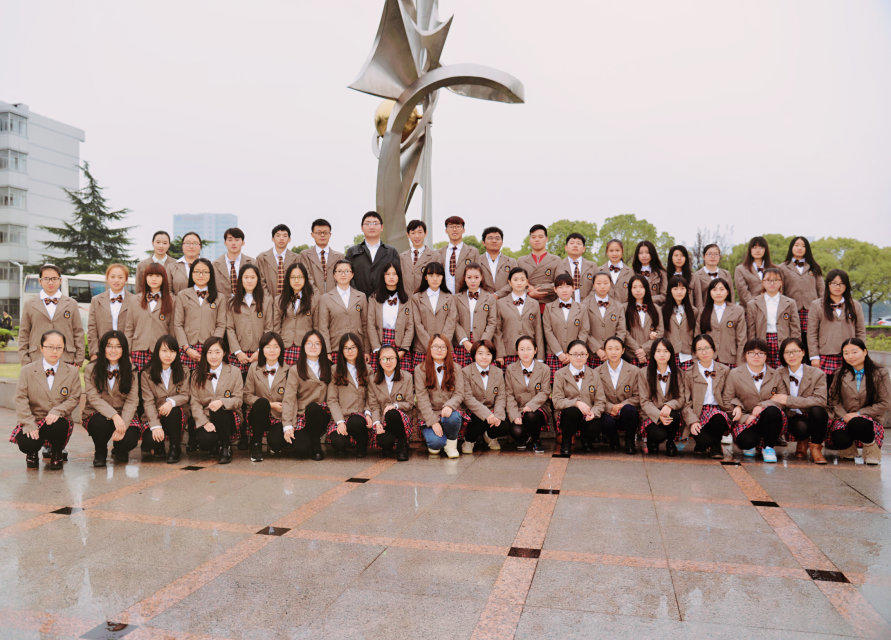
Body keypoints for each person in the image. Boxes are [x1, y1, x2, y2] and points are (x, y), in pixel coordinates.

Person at [10, 330, 81, 470]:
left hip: (58, 420)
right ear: (41, 348)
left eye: (59, 347)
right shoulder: (27, 371)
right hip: (34, 419)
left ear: (63, 349)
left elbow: (74, 397)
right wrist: (28, 423)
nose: (54, 351)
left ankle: (56, 452)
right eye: (50, 347)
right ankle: (32, 452)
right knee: (26, 441)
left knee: (59, 424)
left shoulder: (72, 371)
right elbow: (20, 398)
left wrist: (58, 410)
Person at [83, 331, 143, 467]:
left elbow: (132, 400)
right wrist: (114, 416)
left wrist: (123, 423)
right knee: (99, 424)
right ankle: (100, 451)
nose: (113, 350)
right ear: (103, 348)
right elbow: (93, 398)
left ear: (124, 349)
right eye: (109, 346)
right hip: (98, 412)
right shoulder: (91, 368)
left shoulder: (132, 370)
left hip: (123, 412)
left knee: (130, 438)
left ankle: (120, 449)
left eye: (118, 346)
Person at [826, 338, 887, 465]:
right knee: (838, 435)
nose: (850, 356)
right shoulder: (840, 373)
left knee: (858, 423)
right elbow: (833, 400)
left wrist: (858, 414)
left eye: (854, 352)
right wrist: (844, 415)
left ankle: (871, 449)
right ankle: (848, 450)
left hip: (870, 419)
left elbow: (885, 402)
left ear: (865, 352)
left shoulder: (879, 373)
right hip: (844, 417)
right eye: (846, 353)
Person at [725, 339, 786, 463]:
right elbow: (727, 399)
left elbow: (782, 398)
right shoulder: (734, 374)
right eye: (751, 353)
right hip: (746, 419)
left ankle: (768, 447)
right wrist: (742, 413)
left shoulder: (775, 374)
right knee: (745, 442)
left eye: (760, 353)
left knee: (773, 411)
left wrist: (762, 406)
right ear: (745, 355)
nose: (756, 356)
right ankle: (754, 443)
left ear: (766, 356)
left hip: (769, 418)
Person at [770, 337, 828, 464]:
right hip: (792, 416)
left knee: (818, 411)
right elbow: (775, 397)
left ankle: (816, 448)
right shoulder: (778, 373)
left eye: (795, 351)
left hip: (811, 414)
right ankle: (802, 440)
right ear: (782, 355)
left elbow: (821, 400)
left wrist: (789, 400)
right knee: (801, 427)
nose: (791, 355)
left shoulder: (817, 374)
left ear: (803, 352)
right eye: (787, 352)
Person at [189, 336, 244, 464]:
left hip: (228, 417)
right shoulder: (197, 374)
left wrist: (222, 402)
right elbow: (194, 402)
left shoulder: (234, 372)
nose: (213, 356)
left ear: (224, 353)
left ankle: (226, 446)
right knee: (205, 441)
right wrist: (204, 422)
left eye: (217, 352)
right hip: (207, 417)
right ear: (205, 354)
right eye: (210, 352)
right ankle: (216, 443)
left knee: (219, 408)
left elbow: (238, 399)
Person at [19, 264, 84, 367]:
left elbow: (78, 332)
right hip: (36, 358)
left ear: (60, 280)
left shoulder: (71, 304)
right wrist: (25, 360)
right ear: (40, 281)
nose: (50, 282)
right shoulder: (30, 304)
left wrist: (79, 359)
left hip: (66, 358)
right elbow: (24, 333)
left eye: (54, 279)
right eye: (46, 279)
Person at [279, 330, 330, 460]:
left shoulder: (329, 367)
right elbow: (289, 399)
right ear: (303, 346)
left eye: (317, 344)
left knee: (314, 408)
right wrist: (287, 425)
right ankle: (308, 439)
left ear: (322, 347)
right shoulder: (295, 369)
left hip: (322, 414)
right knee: (301, 450)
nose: (313, 347)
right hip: (302, 415)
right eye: (309, 343)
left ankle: (316, 445)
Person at [414, 334, 465, 458]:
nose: (439, 350)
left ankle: (451, 444)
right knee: (436, 443)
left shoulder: (456, 368)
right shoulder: (420, 369)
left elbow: (459, 393)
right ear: (430, 349)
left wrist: (449, 406)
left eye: (443, 347)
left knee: (453, 418)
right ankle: (439, 440)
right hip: (431, 413)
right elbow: (422, 399)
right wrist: (433, 422)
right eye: (435, 346)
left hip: (449, 412)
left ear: (448, 350)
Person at [141, 335, 190, 464]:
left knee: (173, 411)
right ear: (157, 352)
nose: (168, 355)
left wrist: (171, 402)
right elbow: (148, 402)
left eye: (172, 351)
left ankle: (175, 447)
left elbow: (185, 395)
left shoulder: (184, 370)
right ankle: (158, 446)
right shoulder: (147, 373)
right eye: (164, 351)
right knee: (150, 441)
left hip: (176, 415)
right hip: (155, 414)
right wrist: (156, 425)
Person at [807, 269, 865, 376]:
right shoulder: (817, 305)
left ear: (846, 286)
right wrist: (814, 356)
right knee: (826, 384)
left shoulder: (855, 305)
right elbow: (812, 333)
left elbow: (860, 331)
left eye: (842, 283)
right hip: (825, 354)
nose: (838, 287)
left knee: (848, 384)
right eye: (834, 283)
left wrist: (860, 352)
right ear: (828, 285)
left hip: (849, 355)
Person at [682, 334, 732, 459]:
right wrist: (693, 421)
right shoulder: (689, 373)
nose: (704, 352)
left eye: (707, 348)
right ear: (695, 353)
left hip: (718, 410)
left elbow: (730, 394)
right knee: (702, 439)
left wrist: (734, 408)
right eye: (699, 349)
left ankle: (716, 445)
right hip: (697, 412)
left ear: (713, 349)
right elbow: (686, 402)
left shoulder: (724, 370)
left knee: (719, 418)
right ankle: (703, 443)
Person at [552, 340, 604, 456]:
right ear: (568, 355)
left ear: (587, 355)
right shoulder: (560, 374)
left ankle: (586, 440)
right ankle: (566, 443)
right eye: (575, 354)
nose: (579, 357)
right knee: (572, 412)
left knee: (598, 422)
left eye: (582, 354)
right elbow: (557, 401)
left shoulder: (594, 374)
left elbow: (600, 401)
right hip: (568, 415)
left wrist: (594, 412)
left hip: (588, 414)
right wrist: (576, 403)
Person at [243, 332, 289, 462]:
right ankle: (256, 444)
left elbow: (292, 397)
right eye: (268, 347)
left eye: (275, 347)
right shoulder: (254, 368)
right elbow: (246, 395)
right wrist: (270, 404)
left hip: (278, 416)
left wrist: (283, 407)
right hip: (258, 414)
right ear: (262, 349)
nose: (272, 350)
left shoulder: (288, 370)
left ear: (281, 349)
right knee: (262, 402)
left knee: (277, 442)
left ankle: (273, 444)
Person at [173, 258, 226, 371]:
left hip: (210, 349)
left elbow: (221, 324)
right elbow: (178, 324)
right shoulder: (182, 295)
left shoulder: (220, 297)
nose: (200, 275)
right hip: (187, 347)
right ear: (191, 274)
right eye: (197, 271)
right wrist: (186, 348)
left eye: (205, 272)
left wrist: (212, 348)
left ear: (211, 274)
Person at [326, 334, 373, 457]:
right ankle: (348, 442)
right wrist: (340, 421)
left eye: (353, 347)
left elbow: (371, 395)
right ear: (341, 351)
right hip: (342, 415)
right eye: (346, 348)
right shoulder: (334, 370)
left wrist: (368, 413)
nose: (350, 351)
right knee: (338, 442)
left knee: (356, 422)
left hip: (360, 416)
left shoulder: (367, 369)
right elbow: (332, 399)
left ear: (358, 349)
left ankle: (361, 444)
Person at [745, 267, 800, 368]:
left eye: (775, 280)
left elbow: (795, 328)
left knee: (784, 370)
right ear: (763, 282)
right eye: (768, 280)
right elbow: (751, 330)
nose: (772, 283)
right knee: (764, 369)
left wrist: (795, 346)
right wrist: (753, 348)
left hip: (784, 341)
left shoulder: (790, 303)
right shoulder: (753, 304)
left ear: (781, 282)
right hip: (762, 341)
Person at [504, 335, 551, 452]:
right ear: (517, 351)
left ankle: (536, 440)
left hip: (539, 408)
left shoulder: (544, 368)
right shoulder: (510, 369)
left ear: (535, 350)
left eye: (529, 349)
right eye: (522, 349)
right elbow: (509, 395)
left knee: (531, 415)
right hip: (519, 408)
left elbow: (545, 391)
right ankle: (525, 437)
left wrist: (531, 406)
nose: (525, 353)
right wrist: (515, 415)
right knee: (516, 431)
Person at [225, 264, 274, 377]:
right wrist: (238, 352)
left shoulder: (266, 301)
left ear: (258, 279)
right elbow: (229, 328)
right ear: (241, 279)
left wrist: (260, 351)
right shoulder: (232, 302)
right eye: (246, 277)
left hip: (260, 352)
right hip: (239, 354)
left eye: (253, 277)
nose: (249, 281)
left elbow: (269, 328)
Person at [596, 336, 642, 454]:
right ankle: (613, 439)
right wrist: (610, 407)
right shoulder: (597, 372)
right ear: (605, 351)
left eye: (617, 349)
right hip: (607, 412)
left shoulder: (634, 371)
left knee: (630, 410)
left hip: (626, 411)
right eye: (610, 349)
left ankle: (629, 441)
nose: (613, 352)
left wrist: (621, 406)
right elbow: (596, 397)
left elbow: (638, 396)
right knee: (605, 420)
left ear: (623, 351)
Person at [367, 344, 413, 461]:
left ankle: (402, 444)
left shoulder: (407, 377)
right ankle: (390, 444)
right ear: (379, 361)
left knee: (392, 413)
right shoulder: (373, 380)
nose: (388, 362)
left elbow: (410, 403)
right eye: (384, 359)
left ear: (397, 359)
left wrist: (395, 405)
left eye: (391, 358)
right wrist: (377, 422)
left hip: (401, 420)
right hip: (383, 420)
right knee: (383, 441)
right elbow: (374, 405)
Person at [126, 263, 175, 372]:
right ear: (145, 278)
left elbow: (173, 328)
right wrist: (127, 352)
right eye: (150, 275)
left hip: (161, 350)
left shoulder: (172, 300)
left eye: (158, 276)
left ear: (164, 278)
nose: (154, 279)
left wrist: (171, 351)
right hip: (138, 349)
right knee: (137, 380)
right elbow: (129, 328)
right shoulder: (134, 300)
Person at [639, 339, 684, 456]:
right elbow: (644, 401)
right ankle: (652, 441)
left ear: (671, 354)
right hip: (651, 415)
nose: (662, 354)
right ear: (653, 354)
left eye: (665, 351)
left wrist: (669, 405)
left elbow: (681, 398)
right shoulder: (644, 373)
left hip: (669, 413)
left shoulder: (678, 373)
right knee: (659, 435)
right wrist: (659, 415)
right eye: (658, 351)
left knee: (675, 415)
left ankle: (670, 442)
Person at [461, 340, 507, 453]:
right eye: (480, 353)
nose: (484, 357)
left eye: (488, 354)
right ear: (474, 355)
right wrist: (487, 414)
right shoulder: (465, 372)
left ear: (492, 356)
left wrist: (498, 416)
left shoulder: (498, 372)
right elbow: (468, 398)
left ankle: (490, 436)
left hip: (492, 409)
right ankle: (469, 440)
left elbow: (501, 396)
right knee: (479, 420)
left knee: (504, 424)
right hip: (473, 410)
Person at [367, 260, 414, 370]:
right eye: (388, 274)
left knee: (401, 376)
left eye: (394, 274)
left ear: (399, 277)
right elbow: (370, 324)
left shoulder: (406, 299)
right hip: (380, 343)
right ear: (383, 277)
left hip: (400, 345)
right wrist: (377, 349)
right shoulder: (374, 298)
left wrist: (403, 349)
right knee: (379, 376)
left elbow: (410, 326)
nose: (391, 277)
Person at [318, 259, 368, 363]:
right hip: (336, 347)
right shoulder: (325, 298)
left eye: (347, 271)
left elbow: (365, 325)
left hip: (357, 347)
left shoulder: (361, 296)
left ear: (352, 274)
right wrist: (327, 351)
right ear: (334, 275)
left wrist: (366, 350)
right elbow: (323, 328)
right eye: (339, 271)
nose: (343, 274)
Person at [410, 261, 457, 368]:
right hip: (422, 348)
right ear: (425, 277)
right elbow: (417, 324)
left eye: (438, 275)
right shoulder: (416, 298)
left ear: (443, 277)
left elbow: (451, 322)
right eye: (431, 275)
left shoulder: (449, 298)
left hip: (444, 348)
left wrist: (441, 345)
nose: (435, 279)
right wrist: (431, 346)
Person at [495, 267, 545, 367]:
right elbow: (497, 330)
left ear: (527, 282)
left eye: (522, 279)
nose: (519, 283)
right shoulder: (501, 303)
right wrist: (499, 354)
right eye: (515, 279)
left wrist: (540, 356)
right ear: (509, 282)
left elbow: (538, 330)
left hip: (529, 352)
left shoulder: (534, 303)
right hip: (509, 351)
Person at [543, 273, 589, 379]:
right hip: (555, 354)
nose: (564, 290)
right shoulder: (549, 308)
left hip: (577, 355)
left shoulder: (581, 308)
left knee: (577, 383)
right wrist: (559, 353)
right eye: (560, 287)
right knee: (556, 384)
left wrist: (573, 352)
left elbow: (584, 331)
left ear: (573, 288)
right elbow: (547, 331)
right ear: (555, 289)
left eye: (568, 286)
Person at [779, 236, 823, 344]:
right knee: (794, 339)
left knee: (812, 338)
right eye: (796, 245)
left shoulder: (814, 266)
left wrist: (822, 306)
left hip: (811, 309)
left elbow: (821, 289)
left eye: (803, 246)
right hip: (792, 309)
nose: (800, 248)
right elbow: (780, 290)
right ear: (791, 247)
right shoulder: (782, 267)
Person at [344, 211, 399, 297]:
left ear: (382, 227)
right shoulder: (352, 252)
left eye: (375, 223)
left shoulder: (391, 252)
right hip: (358, 300)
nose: (372, 226)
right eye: (368, 223)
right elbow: (347, 276)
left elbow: (397, 276)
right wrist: (357, 296)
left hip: (384, 299)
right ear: (362, 228)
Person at [454, 263, 497, 367]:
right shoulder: (456, 298)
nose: (473, 281)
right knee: (462, 371)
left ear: (481, 278)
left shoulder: (489, 298)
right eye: (469, 277)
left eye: (476, 277)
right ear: (464, 278)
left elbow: (492, 322)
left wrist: (482, 343)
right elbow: (454, 321)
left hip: (483, 342)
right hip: (462, 343)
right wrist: (464, 341)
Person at [274, 262, 316, 366]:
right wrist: (277, 345)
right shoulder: (279, 300)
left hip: (306, 346)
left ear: (305, 279)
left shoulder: (314, 300)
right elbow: (276, 326)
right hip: (284, 345)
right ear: (288, 279)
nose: (296, 280)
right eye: (293, 277)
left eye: (300, 277)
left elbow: (317, 326)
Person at [87, 263, 132, 361]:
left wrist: (130, 353)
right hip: (102, 351)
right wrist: (94, 352)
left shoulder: (135, 300)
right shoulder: (96, 300)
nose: (116, 280)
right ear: (107, 278)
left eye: (120, 277)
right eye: (113, 277)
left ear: (126, 279)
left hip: (126, 352)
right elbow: (92, 329)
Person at [697, 278, 745, 367]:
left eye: (722, 289)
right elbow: (697, 336)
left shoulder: (737, 310)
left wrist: (740, 362)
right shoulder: (702, 311)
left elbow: (742, 339)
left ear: (727, 292)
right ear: (709, 292)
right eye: (714, 290)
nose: (718, 293)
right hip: (708, 358)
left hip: (730, 358)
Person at [584, 271, 626, 368]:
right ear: (593, 285)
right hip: (592, 354)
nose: (602, 286)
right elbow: (584, 330)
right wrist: (597, 349)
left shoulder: (618, 306)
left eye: (606, 283)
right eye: (599, 283)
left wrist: (612, 350)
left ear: (610, 284)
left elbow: (621, 331)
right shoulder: (584, 305)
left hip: (613, 355)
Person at [624, 274, 663, 367]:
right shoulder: (624, 308)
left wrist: (644, 349)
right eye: (634, 287)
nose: (638, 290)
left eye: (641, 287)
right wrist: (638, 351)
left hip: (651, 355)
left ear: (646, 289)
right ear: (630, 290)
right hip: (631, 356)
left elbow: (660, 332)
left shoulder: (656, 308)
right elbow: (623, 331)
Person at [518, 224, 561, 305]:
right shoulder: (521, 261)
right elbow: (515, 282)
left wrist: (535, 289)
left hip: (549, 304)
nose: (537, 240)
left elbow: (560, 283)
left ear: (546, 239)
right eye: (533, 237)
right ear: (530, 239)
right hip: (526, 304)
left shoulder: (556, 260)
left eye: (540, 237)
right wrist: (529, 292)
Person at [298, 218, 344, 295]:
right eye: (319, 233)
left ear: (330, 235)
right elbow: (306, 277)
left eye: (325, 232)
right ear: (312, 235)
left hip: (335, 298)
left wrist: (332, 297)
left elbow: (341, 279)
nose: (322, 235)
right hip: (312, 297)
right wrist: (317, 296)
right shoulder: (305, 255)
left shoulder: (339, 257)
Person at [437, 215, 480, 294]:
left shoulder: (473, 252)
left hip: (465, 295)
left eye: (458, 226)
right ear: (446, 230)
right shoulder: (439, 253)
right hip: (444, 296)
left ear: (463, 230)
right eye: (451, 227)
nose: (454, 229)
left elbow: (478, 275)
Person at [662, 275, 697, 371]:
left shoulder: (694, 311)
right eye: (675, 289)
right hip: (670, 355)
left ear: (687, 291)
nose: (679, 292)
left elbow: (696, 334)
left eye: (682, 288)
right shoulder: (663, 311)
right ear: (670, 291)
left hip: (688, 355)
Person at [256, 223, 298, 299]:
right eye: (278, 236)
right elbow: (260, 282)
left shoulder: (296, 258)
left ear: (289, 239)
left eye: (285, 236)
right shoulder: (262, 258)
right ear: (273, 239)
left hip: (290, 300)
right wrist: (268, 300)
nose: (281, 238)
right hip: (267, 300)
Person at [213, 227, 255, 299]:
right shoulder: (215, 264)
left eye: (237, 240)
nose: (233, 243)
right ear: (225, 243)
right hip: (222, 303)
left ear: (243, 242)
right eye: (230, 240)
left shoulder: (252, 263)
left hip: (246, 303)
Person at [478, 226, 518, 299]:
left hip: (506, 301)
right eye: (490, 238)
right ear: (483, 242)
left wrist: (497, 295)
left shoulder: (511, 262)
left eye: (497, 238)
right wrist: (487, 296)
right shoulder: (476, 261)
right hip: (482, 300)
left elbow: (515, 281)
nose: (494, 241)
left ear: (502, 242)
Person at [734, 236, 775, 306]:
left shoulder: (775, 269)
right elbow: (743, 293)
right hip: (749, 308)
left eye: (761, 247)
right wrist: (756, 306)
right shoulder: (740, 269)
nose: (757, 250)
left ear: (765, 250)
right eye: (754, 247)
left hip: (771, 307)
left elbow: (778, 290)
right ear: (750, 250)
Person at [400, 219, 436, 295]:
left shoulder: (434, 256)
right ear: (408, 235)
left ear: (425, 233)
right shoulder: (402, 257)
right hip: (406, 299)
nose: (417, 236)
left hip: (426, 299)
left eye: (420, 232)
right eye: (413, 233)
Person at [557, 233, 597, 302]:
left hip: (588, 305)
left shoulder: (592, 266)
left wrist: (587, 302)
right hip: (565, 304)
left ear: (584, 249)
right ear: (566, 248)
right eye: (572, 243)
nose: (575, 245)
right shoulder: (558, 265)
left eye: (578, 243)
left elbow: (596, 286)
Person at [691, 243, 732, 308]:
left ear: (719, 256)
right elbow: (696, 299)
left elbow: (731, 296)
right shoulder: (696, 276)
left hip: (725, 311)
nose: (713, 257)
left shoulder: (726, 274)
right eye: (709, 254)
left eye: (716, 254)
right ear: (704, 257)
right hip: (705, 311)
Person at [632, 240, 668, 305]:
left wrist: (648, 299)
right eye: (641, 253)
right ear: (637, 255)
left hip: (655, 308)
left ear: (652, 254)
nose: (644, 256)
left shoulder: (661, 274)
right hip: (635, 308)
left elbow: (664, 295)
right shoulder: (631, 273)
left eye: (647, 252)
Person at [600, 238, 633, 303]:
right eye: (611, 251)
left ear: (622, 251)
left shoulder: (631, 272)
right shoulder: (599, 271)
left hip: (625, 308)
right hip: (604, 308)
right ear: (607, 252)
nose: (614, 254)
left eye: (617, 250)